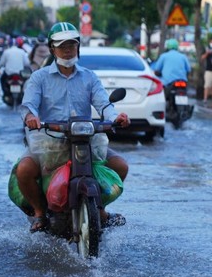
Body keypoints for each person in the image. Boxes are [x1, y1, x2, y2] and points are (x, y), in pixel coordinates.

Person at [16, 22, 131, 233]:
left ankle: (100, 208)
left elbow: (104, 105)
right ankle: (40, 213)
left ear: (78, 46)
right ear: (52, 48)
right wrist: (31, 116)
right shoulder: (39, 78)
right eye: (62, 45)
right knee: (24, 170)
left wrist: (116, 117)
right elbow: (28, 105)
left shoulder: (89, 77)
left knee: (121, 166)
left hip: (85, 139)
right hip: (48, 140)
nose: (67, 50)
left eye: (71, 44)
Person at [0, 37, 30, 103]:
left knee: (1, 79)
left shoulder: (6, 52)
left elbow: (1, 63)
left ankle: (5, 93)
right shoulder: (22, 52)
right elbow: (27, 63)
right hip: (20, 74)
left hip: (8, 74)